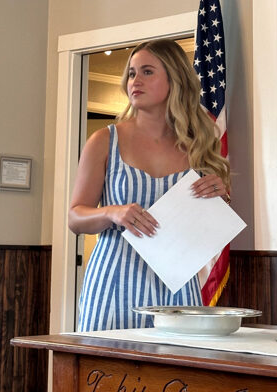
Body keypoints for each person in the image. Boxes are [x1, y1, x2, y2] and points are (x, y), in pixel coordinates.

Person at [68, 38, 231, 332]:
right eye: (132, 73)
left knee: (178, 362)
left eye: (147, 72)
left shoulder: (197, 145)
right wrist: (112, 213)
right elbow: (75, 217)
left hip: (178, 289)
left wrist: (219, 197)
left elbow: (203, 230)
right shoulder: (105, 140)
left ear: (174, 79)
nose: (135, 81)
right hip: (113, 284)